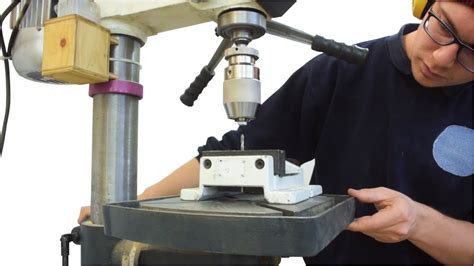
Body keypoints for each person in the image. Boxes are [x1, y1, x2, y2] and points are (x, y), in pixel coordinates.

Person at [79, 0, 473, 264]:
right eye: (443, 27)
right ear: (425, 5)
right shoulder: (345, 70)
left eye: (471, 51)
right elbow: (236, 156)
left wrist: (419, 223)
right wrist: (131, 209)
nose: (442, 58)